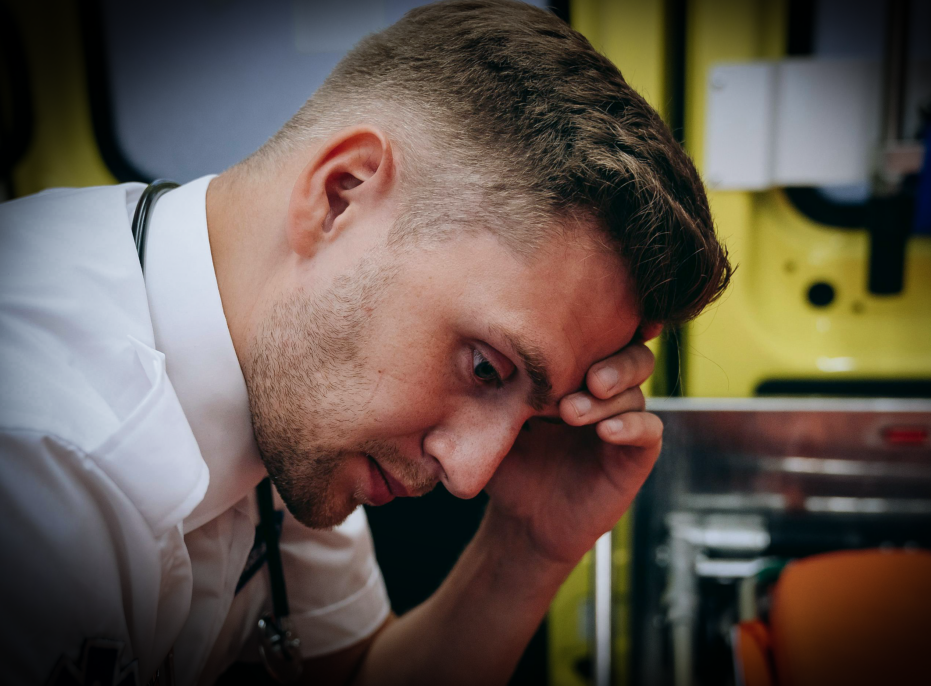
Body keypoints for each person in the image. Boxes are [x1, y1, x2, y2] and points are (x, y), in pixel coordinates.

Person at [0, 1, 730, 684]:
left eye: (530, 415)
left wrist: (525, 549)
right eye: (485, 368)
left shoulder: (287, 369)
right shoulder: (39, 458)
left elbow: (355, 672)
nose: (471, 475)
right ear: (340, 193)